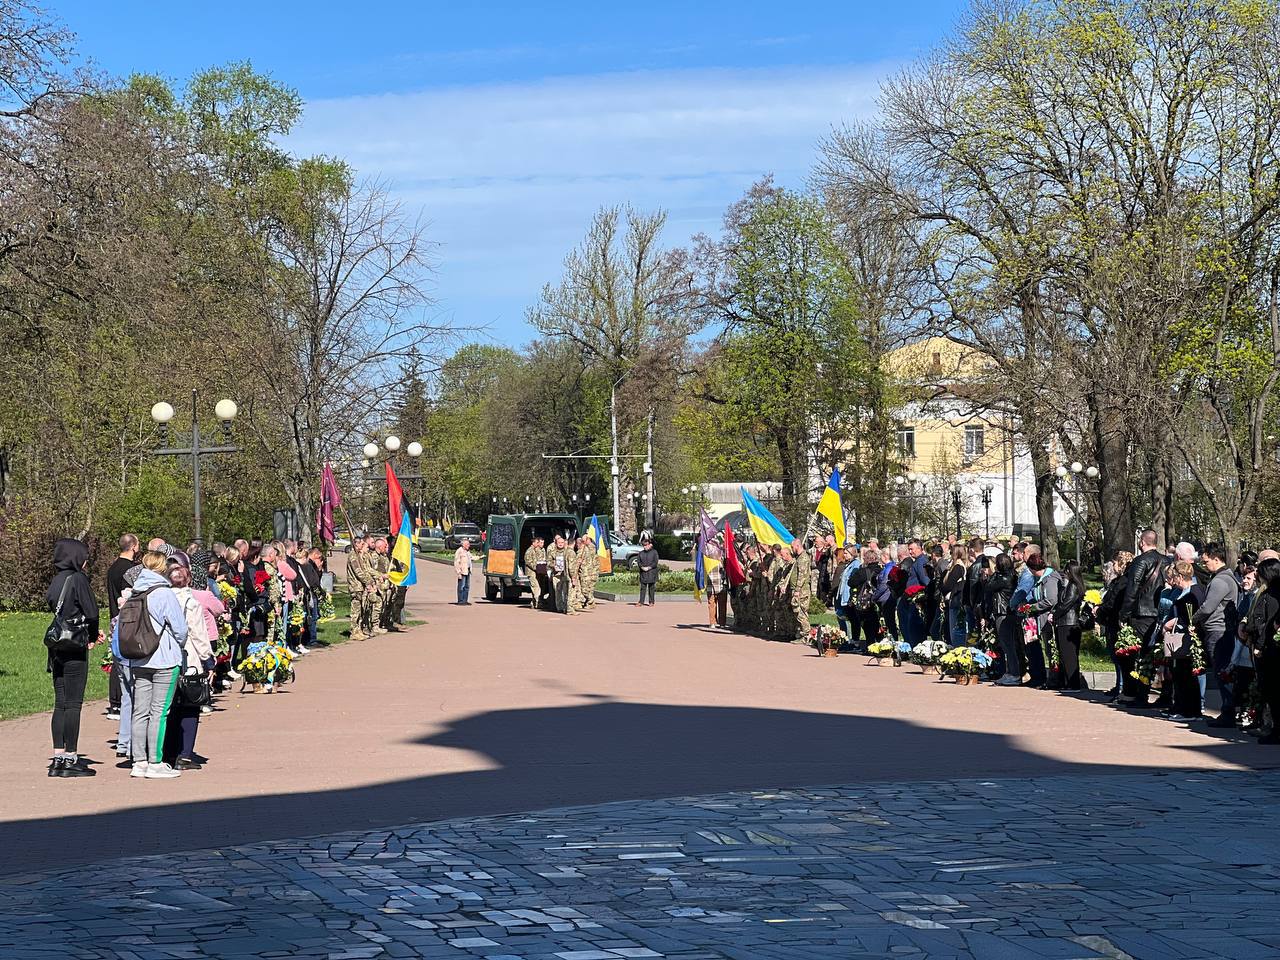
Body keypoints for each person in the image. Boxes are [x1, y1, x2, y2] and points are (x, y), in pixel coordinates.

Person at [121, 550, 188, 779]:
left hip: (138, 657)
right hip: (164, 659)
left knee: (139, 712)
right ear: (163, 569)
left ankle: (138, 761)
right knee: (159, 712)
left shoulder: (134, 592)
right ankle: (155, 761)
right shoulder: (164, 593)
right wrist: (179, 646)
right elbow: (180, 628)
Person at [45, 538, 102, 778]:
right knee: (73, 703)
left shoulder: (56, 581)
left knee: (60, 702)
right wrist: (91, 635)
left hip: (56, 646)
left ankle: (58, 757)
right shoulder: (78, 579)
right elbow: (92, 612)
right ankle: (71, 757)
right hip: (74, 645)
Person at [164, 562, 215, 770]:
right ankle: (184, 754)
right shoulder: (190, 602)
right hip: (189, 660)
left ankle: (168, 752)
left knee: (169, 707)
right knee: (190, 705)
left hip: (165, 657)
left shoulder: (161, 600)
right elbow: (198, 634)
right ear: (189, 580)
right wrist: (208, 660)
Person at [1119, 529, 1167, 706]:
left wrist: (1124, 614)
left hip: (1142, 614)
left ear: (1142, 542)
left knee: (1140, 656)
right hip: (1161, 613)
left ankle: (1140, 694)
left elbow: (1132, 589)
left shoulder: (1140, 561)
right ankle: (1166, 695)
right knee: (1160, 656)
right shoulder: (1166, 560)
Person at [1197, 544, 1240, 727]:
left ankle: (1228, 712)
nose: (1205, 565)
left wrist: (1194, 618)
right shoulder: (1226, 577)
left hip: (1218, 630)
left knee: (1222, 671)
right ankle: (1228, 710)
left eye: (1206, 561)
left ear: (1216, 559)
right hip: (1223, 629)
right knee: (1223, 671)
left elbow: (1208, 606)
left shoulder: (1220, 581)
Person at [1243, 558, 1280, 743]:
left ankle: (1277, 731)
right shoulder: (1268, 592)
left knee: (1273, 690)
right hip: (1264, 645)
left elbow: (1269, 625)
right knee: (1269, 691)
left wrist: (1259, 645)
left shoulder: (1273, 595)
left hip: (1269, 649)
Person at [104, 533, 139, 720]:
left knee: (116, 658)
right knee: (125, 661)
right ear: (133, 546)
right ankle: (119, 702)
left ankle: (114, 702)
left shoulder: (113, 568)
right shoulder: (130, 570)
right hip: (126, 617)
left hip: (114, 616)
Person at [1096, 551, 1134, 699]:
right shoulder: (1118, 581)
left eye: (1116, 563)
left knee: (1120, 657)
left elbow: (1113, 602)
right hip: (1111, 620)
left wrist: (1101, 609)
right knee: (1116, 657)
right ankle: (1119, 685)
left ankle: (1122, 687)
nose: (1114, 566)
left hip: (1116, 621)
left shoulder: (1124, 582)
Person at [987, 552, 1020, 686]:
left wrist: (994, 573)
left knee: (1007, 644)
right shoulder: (1012, 575)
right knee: (1008, 644)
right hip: (1007, 612)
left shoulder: (1003, 578)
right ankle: (1011, 671)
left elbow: (989, 586)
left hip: (1003, 612)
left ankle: (1014, 673)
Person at [1054, 559, 1086, 691]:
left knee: (1069, 654)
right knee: (1067, 654)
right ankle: (1069, 682)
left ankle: (1073, 683)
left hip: (1069, 622)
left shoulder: (1073, 586)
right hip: (1067, 622)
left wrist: (1055, 615)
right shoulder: (1072, 585)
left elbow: (1067, 603)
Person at [347, 538, 376, 641]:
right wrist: (368, 582)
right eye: (361, 544)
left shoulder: (359, 556)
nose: (363, 545)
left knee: (360, 610)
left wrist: (370, 581)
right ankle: (354, 631)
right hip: (355, 586)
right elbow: (358, 572)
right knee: (355, 611)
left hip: (360, 587)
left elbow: (364, 570)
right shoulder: (353, 556)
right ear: (356, 544)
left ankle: (358, 630)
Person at [941, 544, 968, 646]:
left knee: (954, 631)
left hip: (956, 600)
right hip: (953, 600)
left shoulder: (958, 567)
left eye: (952, 552)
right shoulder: (955, 566)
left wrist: (943, 587)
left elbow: (948, 585)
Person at [789, 538, 812, 643]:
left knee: (801, 612)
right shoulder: (798, 558)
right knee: (798, 612)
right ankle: (801, 633)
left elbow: (802, 576)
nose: (791, 549)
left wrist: (797, 590)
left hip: (802, 590)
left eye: (792, 547)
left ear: (797, 546)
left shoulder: (803, 558)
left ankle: (806, 635)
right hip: (797, 589)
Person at [547, 534, 573, 614]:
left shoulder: (567, 552)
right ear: (556, 543)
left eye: (562, 542)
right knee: (558, 592)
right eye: (559, 542)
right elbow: (548, 562)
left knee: (566, 592)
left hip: (565, 575)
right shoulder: (552, 552)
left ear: (565, 543)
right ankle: (559, 608)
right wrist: (553, 566)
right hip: (556, 575)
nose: (561, 544)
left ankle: (566, 607)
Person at [524, 535, 547, 609]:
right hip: (531, 572)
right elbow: (528, 562)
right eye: (537, 542)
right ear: (533, 543)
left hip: (537, 572)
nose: (538, 544)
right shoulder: (529, 551)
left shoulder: (537, 550)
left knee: (537, 587)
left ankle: (534, 603)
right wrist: (536, 568)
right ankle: (538, 603)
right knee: (536, 587)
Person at [636, 536, 659, 607]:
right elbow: (639, 562)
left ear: (650, 545)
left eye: (646, 545)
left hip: (652, 573)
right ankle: (641, 602)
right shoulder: (641, 553)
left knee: (651, 588)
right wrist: (642, 567)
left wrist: (649, 567)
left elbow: (655, 562)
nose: (645, 547)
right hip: (643, 573)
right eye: (644, 545)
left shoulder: (654, 552)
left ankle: (651, 602)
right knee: (643, 588)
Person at [454, 538, 473, 604]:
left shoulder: (467, 551)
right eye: (468, 544)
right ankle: (460, 600)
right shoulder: (459, 551)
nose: (469, 545)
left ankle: (465, 600)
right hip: (462, 571)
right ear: (463, 545)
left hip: (467, 571)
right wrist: (458, 572)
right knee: (461, 586)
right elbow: (456, 562)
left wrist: (480, 557)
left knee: (466, 587)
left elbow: (471, 558)